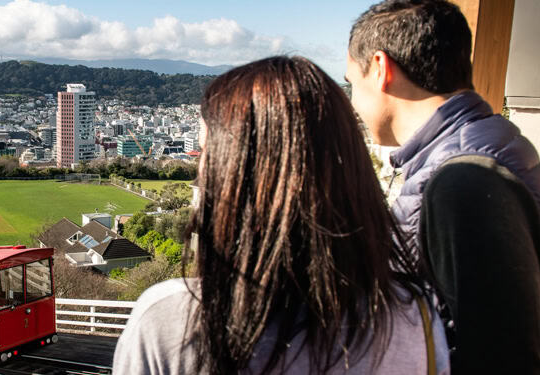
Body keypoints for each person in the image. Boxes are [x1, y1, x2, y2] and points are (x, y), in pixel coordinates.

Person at [113, 56, 448, 374]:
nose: (200, 178)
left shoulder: (172, 321)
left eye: (208, 163)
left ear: (232, 182)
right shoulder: (414, 317)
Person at [346, 0, 540, 372]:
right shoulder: (482, 144)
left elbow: (504, 357)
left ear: (380, 69)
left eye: (351, 83)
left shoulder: (464, 180)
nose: (353, 101)